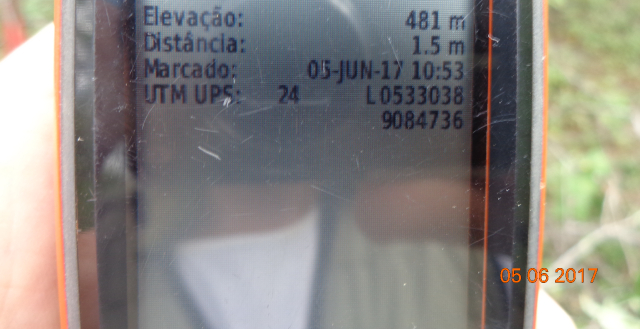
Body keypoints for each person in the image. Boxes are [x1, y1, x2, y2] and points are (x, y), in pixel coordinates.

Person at [0, 25, 576, 329]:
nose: (265, 87)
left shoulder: (448, 254)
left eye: (302, 51)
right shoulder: (66, 258)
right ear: (126, 69)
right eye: (230, 48)